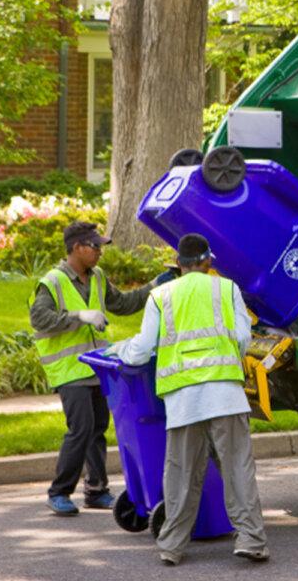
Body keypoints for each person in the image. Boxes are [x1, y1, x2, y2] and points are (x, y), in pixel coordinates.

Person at [111, 232, 268, 566]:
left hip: (184, 401)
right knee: (238, 469)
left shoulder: (160, 296)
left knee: (180, 475)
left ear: (178, 264)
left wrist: (119, 350)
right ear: (208, 261)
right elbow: (242, 339)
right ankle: (251, 540)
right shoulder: (227, 289)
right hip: (226, 396)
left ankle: (172, 545)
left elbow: (140, 352)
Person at [29, 221, 174, 517]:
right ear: (77, 248)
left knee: (97, 429)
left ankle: (96, 490)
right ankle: (58, 491)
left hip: (96, 368)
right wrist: (80, 315)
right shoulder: (52, 282)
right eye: (95, 246)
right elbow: (40, 319)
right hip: (69, 370)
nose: (99, 252)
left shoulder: (97, 277)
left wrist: (153, 288)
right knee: (80, 429)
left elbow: (122, 304)